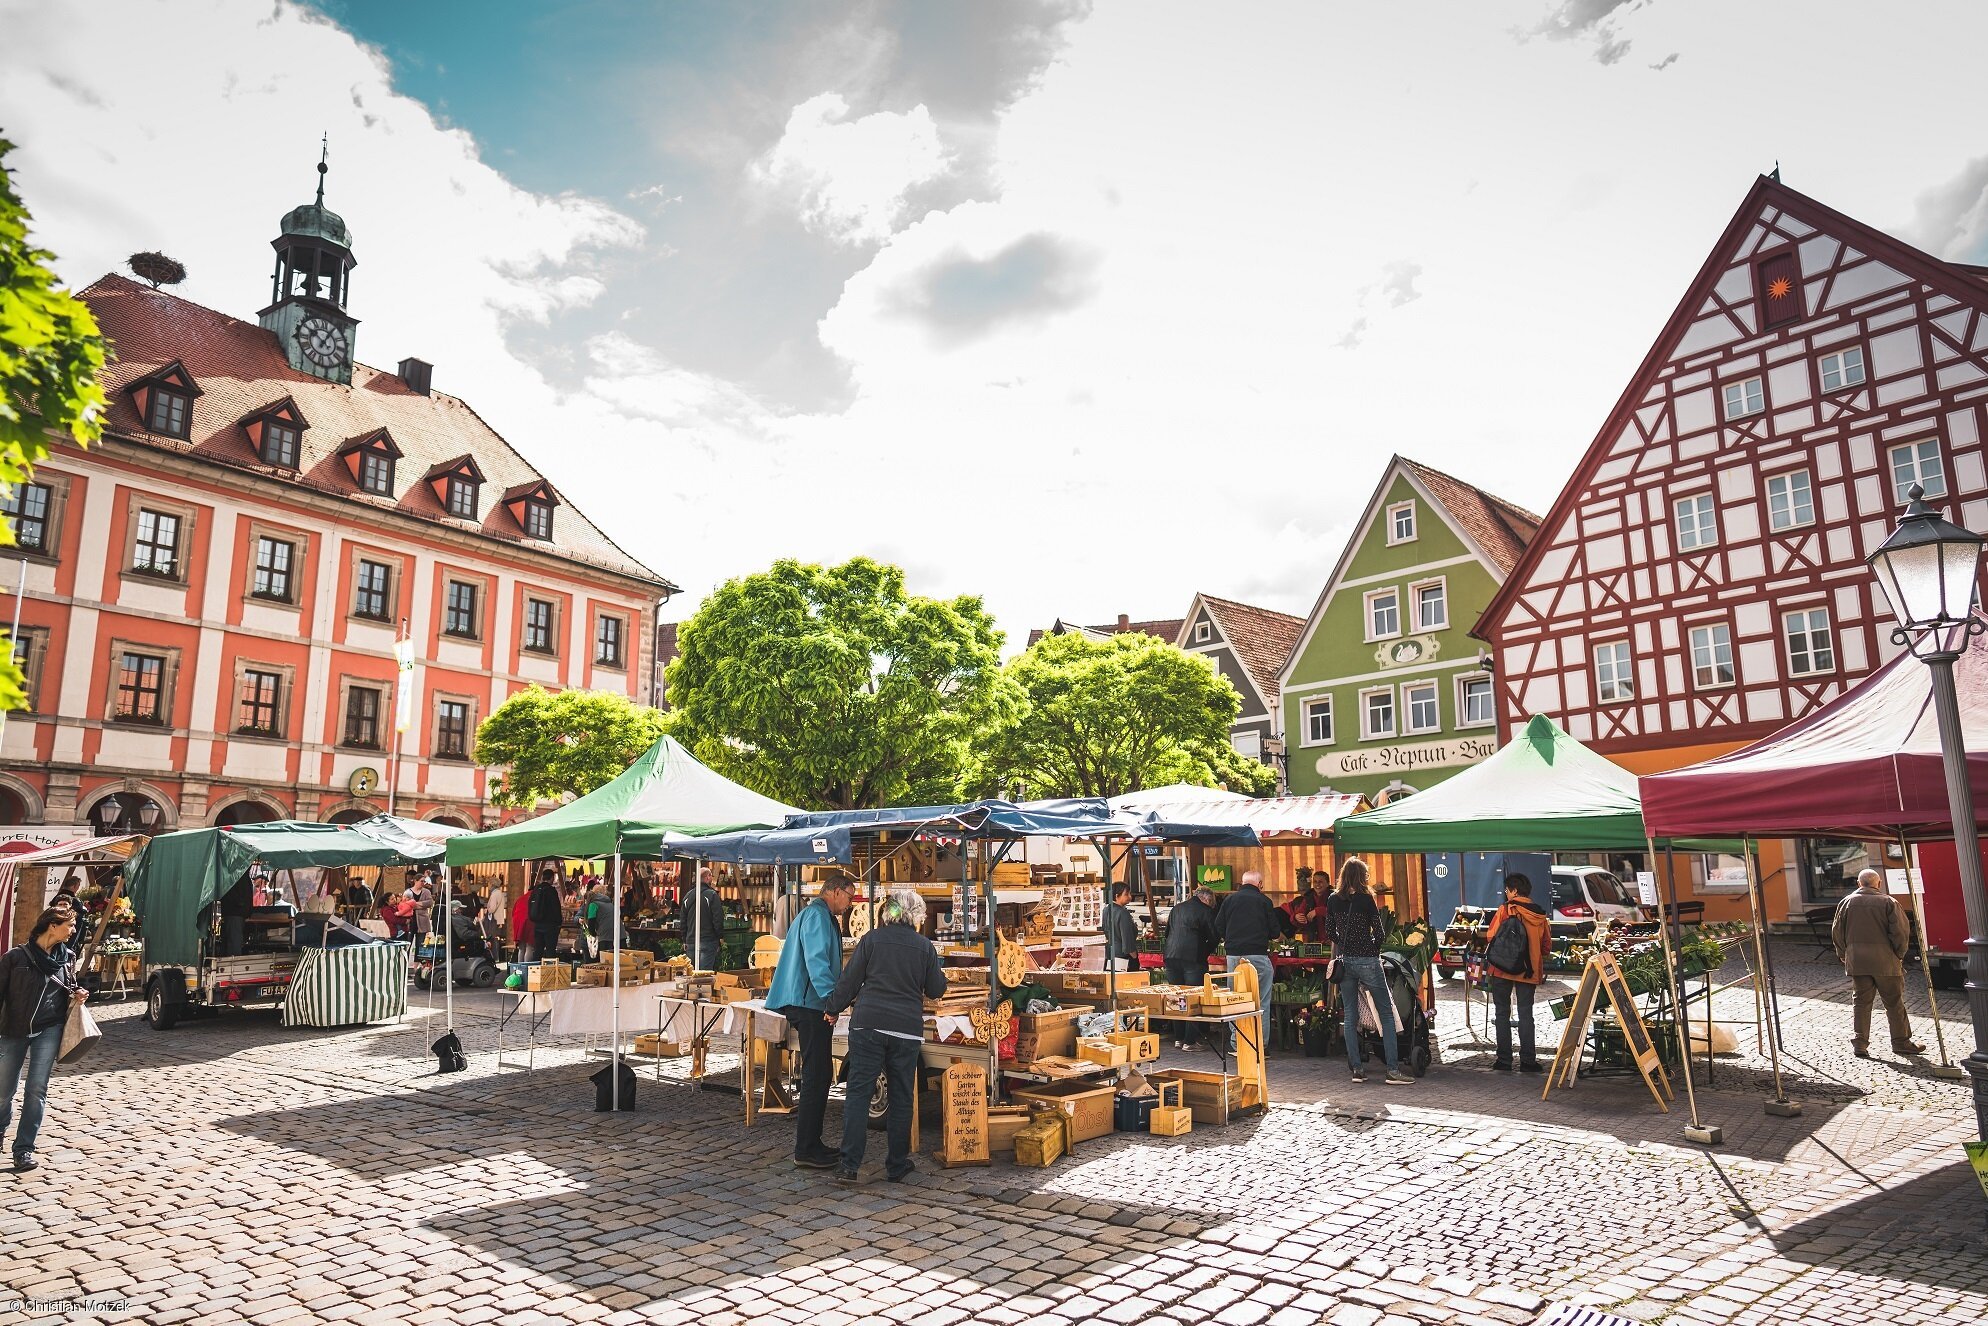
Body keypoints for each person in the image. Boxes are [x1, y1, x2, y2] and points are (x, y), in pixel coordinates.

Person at [822, 890, 946, 1184]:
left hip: (868, 1025)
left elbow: (849, 980)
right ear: (915, 916)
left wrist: (832, 1009)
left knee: (858, 1094)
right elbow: (936, 989)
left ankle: (849, 1165)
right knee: (902, 1096)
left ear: (889, 913)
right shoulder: (925, 947)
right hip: (905, 1029)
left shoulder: (873, 939)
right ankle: (897, 1164)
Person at [764, 871, 858, 1169]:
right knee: (816, 1075)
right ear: (835, 891)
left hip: (811, 1002)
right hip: (810, 1004)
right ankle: (805, 1148)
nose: (850, 904)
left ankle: (812, 1143)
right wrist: (832, 1002)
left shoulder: (819, 915)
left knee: (817, 1074)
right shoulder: (817, 917)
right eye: (849, 896)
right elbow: (817, 962)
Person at [0, 908, 89, 1171]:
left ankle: (24, 1149)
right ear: (52, 925)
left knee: (37, 1090)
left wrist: (78, 994)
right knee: (4, 1092)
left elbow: (69, 987)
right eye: (70, 925)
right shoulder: (15, 957)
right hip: (13, 1030)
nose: (73, 930)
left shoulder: (68, 957)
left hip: (49, 1028)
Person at [1331, 858, 1413, 1085]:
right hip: (1368, 960)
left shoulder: (1333, 900)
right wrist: (1371, 948)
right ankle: (1393, 1070)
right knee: (1385, 1012)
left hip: (1346, 961)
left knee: (1350, 1014)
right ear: (1361, 876)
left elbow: (1330, 931)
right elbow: (1379, 931)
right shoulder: (1366, 899)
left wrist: (1345, 946)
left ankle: (1357, 1070)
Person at [1833, 868, 1924, 1058]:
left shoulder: (1846, 902)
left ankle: (1860, 1043)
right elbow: (1900, 932)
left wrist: (1844, 954)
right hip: (1886, 961)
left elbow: (1837, 932)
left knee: (1861, 1003)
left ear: (1859, 883)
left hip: (1858, 961)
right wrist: (1899, 954)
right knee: (1894, 1003)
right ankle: (1901, 1042)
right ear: (1879, 883)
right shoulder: (1888, 902)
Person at [1484, 873, 1552, 1074]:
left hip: (1502, 969)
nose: (1506, 894)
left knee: (1502, 1013)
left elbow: (1490, 936)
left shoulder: (1505, 909)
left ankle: (1504, 1060)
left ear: (1514, 891)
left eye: (1507, 890)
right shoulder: (1540, 915)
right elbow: (1546, 947)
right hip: (1528, 971)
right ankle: (1528, 1061)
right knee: (1526, 1015)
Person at [1214, 870, 1280, 1054]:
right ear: (1259, 884)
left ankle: (1238, 1045)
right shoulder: (1264, 901)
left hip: (1234, 956)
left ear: (1242, 883)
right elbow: (1275, 931)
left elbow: (1218, 925)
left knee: (1235, 999)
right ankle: (1260, 1045)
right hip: (1258, 956)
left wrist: (1231, 937)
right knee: (1262, 1002)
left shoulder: (1229, 900)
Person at [1164, 885, 1220, 1050]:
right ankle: (1190, 1041)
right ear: (1207, 899)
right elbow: (1215, 936)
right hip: (1193, 959)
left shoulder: (1176, 908)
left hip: (1171, 957)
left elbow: (1167, 933)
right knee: (1192, 997)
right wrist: (1206, 950)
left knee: (1177, 997)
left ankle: (1179, 1038)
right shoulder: (1206, 911)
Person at [685, 869, 723, 971]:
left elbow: (682, 920)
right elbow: (717, 919)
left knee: (691, 973)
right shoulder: (712, 895)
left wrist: (684, 939)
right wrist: (720, 937)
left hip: (691, 941)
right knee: (705, 975)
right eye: (711, 876)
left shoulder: (687, 896)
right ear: (707, 877)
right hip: (708, 940)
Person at [527, 868, 564, 962]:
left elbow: (530, 905)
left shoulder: (536, 889)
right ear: (552, 878)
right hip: (550, 926)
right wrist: (559, 922)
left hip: (537, 925)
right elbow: (556, 908)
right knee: (550, 951)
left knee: (538, 950)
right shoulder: (551, 891)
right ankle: (549, 973)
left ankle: (535, 971)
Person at [1103, 882, 1140, 973]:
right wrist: (1134, 957)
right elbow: (1127, 939)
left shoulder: (1106, 910)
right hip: (1123, 957)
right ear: (1117, 896)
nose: (1130, 897)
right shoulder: (1123, 913)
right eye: (1126, 894)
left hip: (1109, 956)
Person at [218, 870, 254, 957]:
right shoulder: (236, 875)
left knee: (234, 940)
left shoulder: (238, 875)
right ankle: (233, 963)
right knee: (234, 941)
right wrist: (240, 903)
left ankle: (232, 960)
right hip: (235, 911)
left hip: (237, 912)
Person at [510, 887, 535, 961]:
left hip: (518, 922)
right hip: (529, 922)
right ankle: (526, 968)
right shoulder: (535, 898)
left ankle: (520, 968)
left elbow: (513, 912)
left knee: (521, 948)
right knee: (529, 946)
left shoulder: (520, 898)